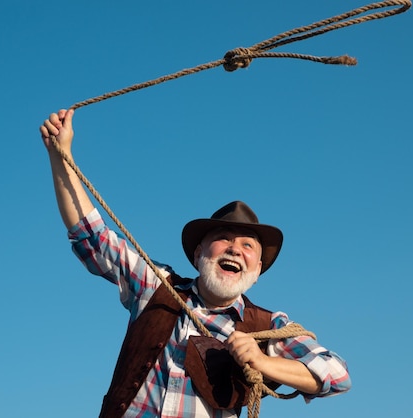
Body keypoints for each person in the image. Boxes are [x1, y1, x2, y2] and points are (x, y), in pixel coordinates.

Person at [40, 109, 351, 418]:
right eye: (224, 238)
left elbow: (336, 375)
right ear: (199, 253)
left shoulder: (267, 328)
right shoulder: (156, 287)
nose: (234, 249)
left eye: (247, 245)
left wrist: (264, 362)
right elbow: (91, 235)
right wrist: (60, 155)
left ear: (256, 271)